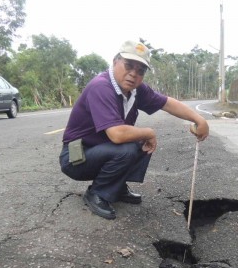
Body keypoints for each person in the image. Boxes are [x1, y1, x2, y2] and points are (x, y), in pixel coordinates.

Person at [59, 40, 209, 220]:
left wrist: (198, 119)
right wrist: (149, 132)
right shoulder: (101, 87)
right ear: (115, 62)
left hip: (98, 150)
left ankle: (117, 187)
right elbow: (116, 134)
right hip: (75, 158)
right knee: (130, 145)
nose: (133, 74)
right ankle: (98, 193)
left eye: (140, 71)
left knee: (136, 143)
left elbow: (166, 103)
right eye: (128, 66)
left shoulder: (137, 90)